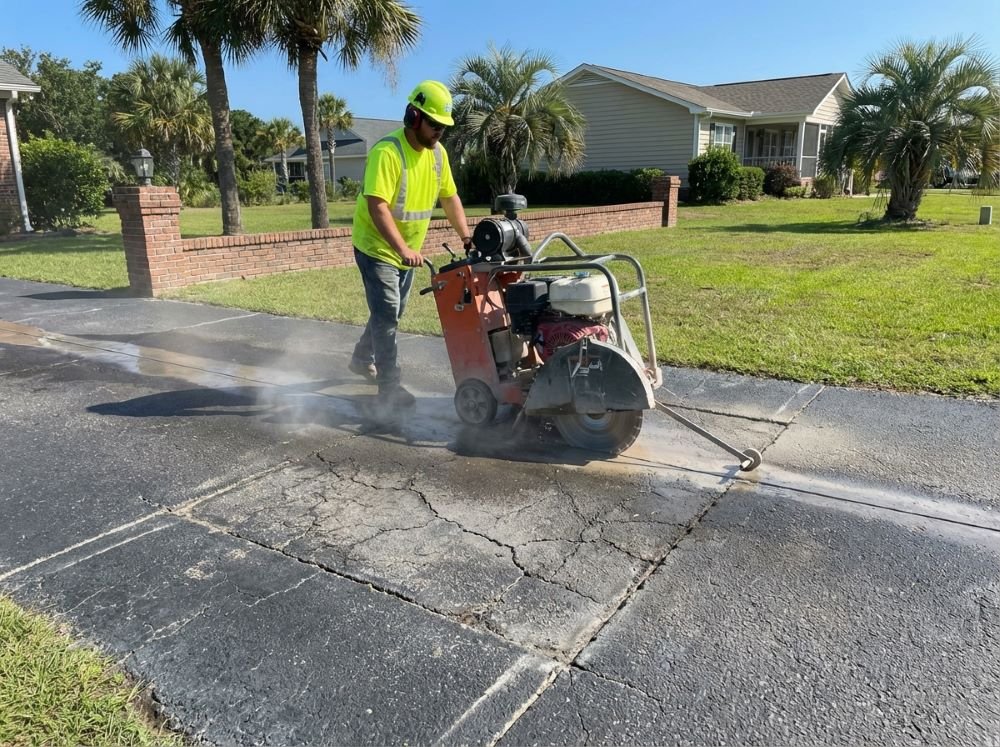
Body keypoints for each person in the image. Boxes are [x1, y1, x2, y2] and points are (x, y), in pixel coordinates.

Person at [348, 79, 472, 409]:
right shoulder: (387, 152)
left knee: (390, 310)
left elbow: (450, 197)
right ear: (413, 118)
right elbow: (377, 205)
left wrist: (467, 237)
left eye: (443, 127)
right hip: (376, 246)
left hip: (407, 251)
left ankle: (362, 357)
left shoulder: (437, 155)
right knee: (388, 313)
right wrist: (402, 249)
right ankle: (389, 387)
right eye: (434, 125)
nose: (439, 133)